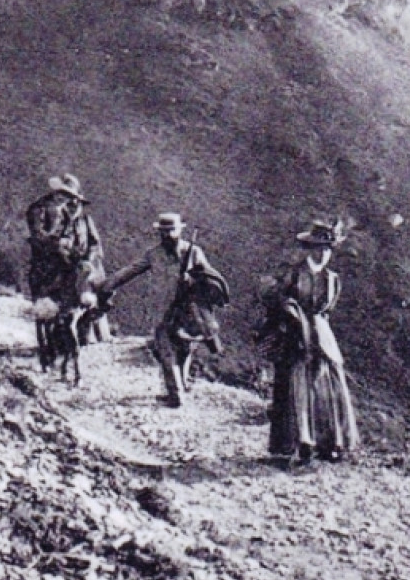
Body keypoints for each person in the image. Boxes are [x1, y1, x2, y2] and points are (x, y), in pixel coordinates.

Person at [100, 212, 230, 407]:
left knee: (185, 350)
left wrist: (192, 279)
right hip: (165, 310)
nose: (168, 236)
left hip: (189, 312)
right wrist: (108, 285)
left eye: (172, 231)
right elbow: (132, 270)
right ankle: (176, 392)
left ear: (179, 230)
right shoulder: (154, 254)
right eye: (164, 232)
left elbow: (211, 279)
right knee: (165, 350)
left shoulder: (193, 252)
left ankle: (180, 385)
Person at [260, 219, 359, 465]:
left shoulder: (332, 279)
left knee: (327, 387)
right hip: (295, 333)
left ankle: (330, 443)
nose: (322, 253)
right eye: (317, 248)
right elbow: (273, 296)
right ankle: (297, 444)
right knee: (296, 386)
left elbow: (327, 310)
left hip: (321, 335)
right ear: (309, 249)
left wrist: (317, 327)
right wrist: (289, 309)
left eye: (327, 249)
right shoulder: (293, 273)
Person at [24, 173, 105, 373]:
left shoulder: (81, 218)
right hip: (47, 267)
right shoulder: (39, 210)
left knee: (94, 298)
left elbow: (95, 244)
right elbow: (37, 236)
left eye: (70, 196)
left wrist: (87, 259)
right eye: (62, 194)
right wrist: (55, 243)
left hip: (74, 267)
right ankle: (49, 353)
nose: (67, 199)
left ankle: (76, 341)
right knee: (47, 310)